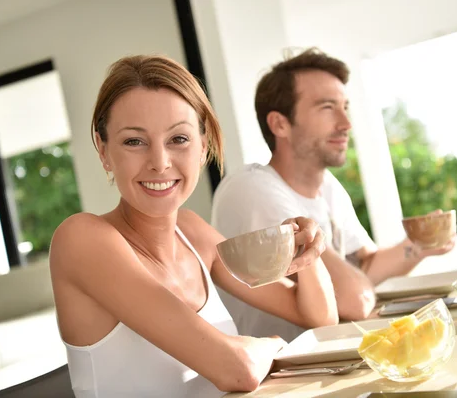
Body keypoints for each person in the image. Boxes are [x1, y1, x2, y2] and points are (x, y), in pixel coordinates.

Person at [49, 54, 339, 398]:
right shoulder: (82, 239)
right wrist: (273, 345)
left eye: (178, 139)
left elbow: (319, 317)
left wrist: (308, 248)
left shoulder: (192, 233)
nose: (159, 163)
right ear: (103, 149)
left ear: (204, 147)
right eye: (134, 141)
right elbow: (239, 370)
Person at [211, 48, 455, 341]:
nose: (346, 123)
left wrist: (419, 245)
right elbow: (355, 299)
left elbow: (366, 267)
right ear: (279, 124)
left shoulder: (328, 187)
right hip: (287, 376)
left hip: (334, 359)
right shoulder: (252, 189)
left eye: (345, 107)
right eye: (327, 107)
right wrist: (358, 285)